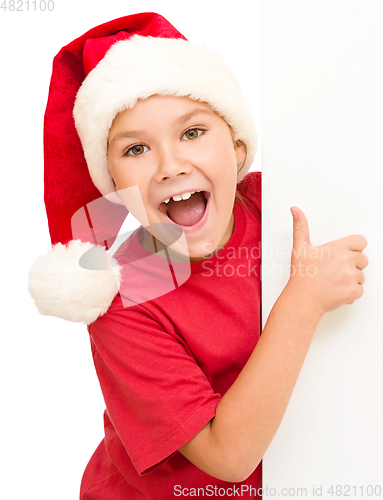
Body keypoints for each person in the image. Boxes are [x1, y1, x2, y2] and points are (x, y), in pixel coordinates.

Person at [28, 12, 368, 500]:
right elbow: (227, 456)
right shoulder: (124, 301)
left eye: (192, 133)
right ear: (114, 185)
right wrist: (304, 301)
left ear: (236, 145)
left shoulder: (278, 204)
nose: (170, 166)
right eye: (137, 148)